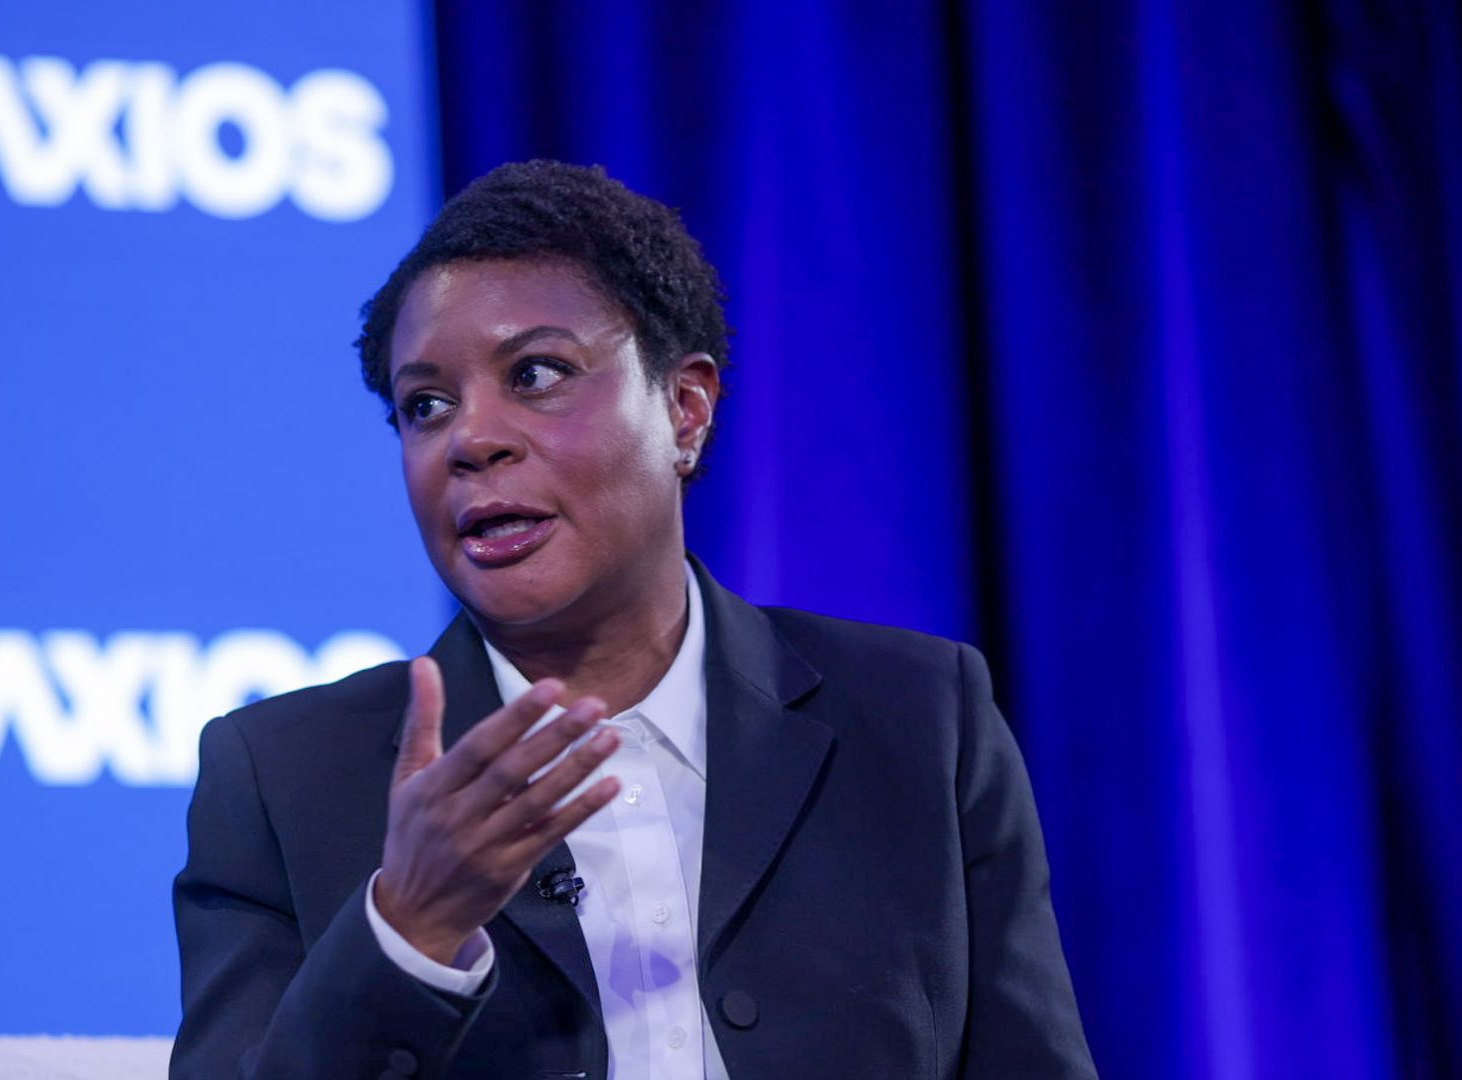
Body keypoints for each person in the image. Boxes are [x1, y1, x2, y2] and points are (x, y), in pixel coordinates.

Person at [170, 161, 1097, 1079]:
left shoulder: (921, 719)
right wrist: (406, 931)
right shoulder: (283, 778)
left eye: (535, 373)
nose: (470, 439)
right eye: (427, 405)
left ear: (684, 409)